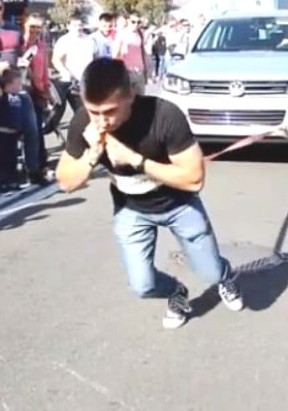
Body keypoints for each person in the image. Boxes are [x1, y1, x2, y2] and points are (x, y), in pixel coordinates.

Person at [56, 58, 243, 329]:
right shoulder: (85, 123)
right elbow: (65, 181)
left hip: (178, 203)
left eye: (109, 111)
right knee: (141, 285)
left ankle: (226, 277)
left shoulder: (165, 116)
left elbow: (193, 179)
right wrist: (91, 154)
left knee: (210, 272)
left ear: (131, 95)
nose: (101, 121)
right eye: (93, 111)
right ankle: (175, 292)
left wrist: (135, 160)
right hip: (131, 209)